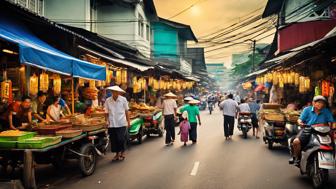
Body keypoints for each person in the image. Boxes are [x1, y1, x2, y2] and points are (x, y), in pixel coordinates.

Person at [291, 96, 334, 165]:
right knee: (296, 142)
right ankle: (297, 157)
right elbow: (300, 119)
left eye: (322, 103)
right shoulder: (307, 110)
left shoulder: (326, 111)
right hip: (308, 129)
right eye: (319, 102)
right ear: (313, 103)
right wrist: (300, 122)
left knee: (333, 143)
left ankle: (332, 157)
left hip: (323, 131)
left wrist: (332, 128)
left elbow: (331, 122)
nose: (321, 104)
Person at [104, 86, 130, 161]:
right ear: (112, 92)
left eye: (116, 92)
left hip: (121, 122)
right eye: (113, 91)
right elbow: (106, 111)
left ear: (118, 92)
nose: (115, 93)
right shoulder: (108, 100)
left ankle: (123, 152)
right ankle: (117, 154)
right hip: (112, 123)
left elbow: (126, 111)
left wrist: (128, 122)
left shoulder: (123, 99)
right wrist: (106, 120)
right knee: (114, 140)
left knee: (120, 139)